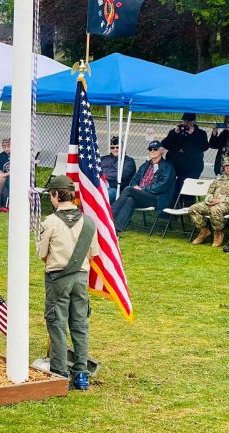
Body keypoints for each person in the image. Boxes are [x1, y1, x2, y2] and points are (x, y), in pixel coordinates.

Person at [36, 175, 99, 390]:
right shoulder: (88, 221)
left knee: (57, 324)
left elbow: (42, 254)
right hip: (81, 278)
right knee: (80, 325)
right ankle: (81, 374)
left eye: (51, 195)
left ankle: (60, 371)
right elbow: (92, 254)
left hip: (58, 278)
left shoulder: (50, 222)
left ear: (55, 194)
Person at [111, 140, 176, 233]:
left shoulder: (167, 167)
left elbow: (161, 186)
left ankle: (110, 214)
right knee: (130, 199)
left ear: (162, 151)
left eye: (155, 149)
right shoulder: (145, 165)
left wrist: (142, 189)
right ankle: (116, 228)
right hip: (142, 196)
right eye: (150, 149)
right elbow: (134, 180)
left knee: (129, 190)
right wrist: (135, 186)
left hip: (157, 198)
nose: (152, 151)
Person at [161, 112, 209, 196]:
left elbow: (204, 147)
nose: (187, 123)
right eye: (185, 121)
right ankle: (172, 202)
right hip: (175, 164)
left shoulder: (201, 133)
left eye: (189, 121)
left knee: (185, 187)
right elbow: (165, 144)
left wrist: (191, 135)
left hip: (192, 166)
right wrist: (174, 133)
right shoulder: (176, 131)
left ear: (193, 122)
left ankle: (186, 202)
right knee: (172, 185)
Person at [189, 155, 229, 247]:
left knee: (215, 209)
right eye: (226, 166)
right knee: (194, 208)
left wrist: (219, 201)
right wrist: (210, 199)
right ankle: (204, 231)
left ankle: (218, 233)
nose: (228, 168)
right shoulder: (219, 179)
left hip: (226, 204)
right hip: (212, 203)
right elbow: (209, 192)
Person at [101, 136, 137, 203]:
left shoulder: (129, 161)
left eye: (117, 147)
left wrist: (103, 174)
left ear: (122, 148)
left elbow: (121, 175)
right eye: (112, 147)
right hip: (101, 185)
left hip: (118, 190)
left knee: (108, 193)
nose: (115, 149)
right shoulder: (103, 159)